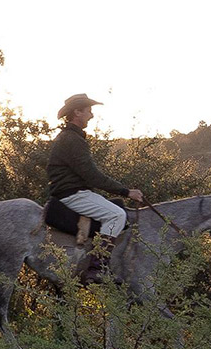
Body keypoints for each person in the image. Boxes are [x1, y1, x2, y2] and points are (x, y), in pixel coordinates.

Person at [47, 93, 142, 252]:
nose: (91, 115)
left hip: (72, 192)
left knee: (115, 206)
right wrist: (126, 192)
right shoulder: (72, 139)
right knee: (117, 215)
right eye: (89, 111)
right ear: (77, 112)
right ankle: (98, 264)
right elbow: (92, 175)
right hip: (73, 195)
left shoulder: (69, 137)